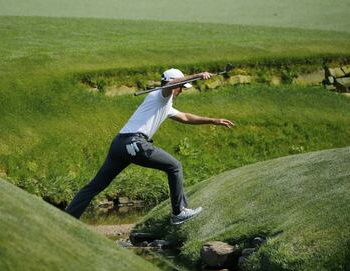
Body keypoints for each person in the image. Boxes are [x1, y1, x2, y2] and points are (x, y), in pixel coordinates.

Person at [65, 68, 235, 225]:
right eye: (181, 86)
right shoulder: (161, 95)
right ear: (173, 84)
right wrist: (197, 75)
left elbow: (185, 117)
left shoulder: (165, 104)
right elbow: (170, 85)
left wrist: (213, 120)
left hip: (119, 144)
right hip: (134, 142)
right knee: (174, 166)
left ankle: (67, 218)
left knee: (95, 185)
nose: (182, 90)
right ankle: (179, 213)